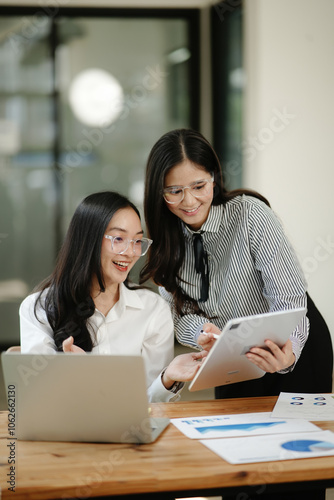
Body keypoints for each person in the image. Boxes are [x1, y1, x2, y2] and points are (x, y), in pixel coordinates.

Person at [140, 128, 333, 400]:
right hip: (230, 355)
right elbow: (178, 315)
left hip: (292, 343)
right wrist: (203, 333)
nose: (189, 201)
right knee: (236, 438)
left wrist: (288, 354)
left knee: (299, 437)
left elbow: (289, 298)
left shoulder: (250, 215)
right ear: (159, 193)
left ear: (214, 179)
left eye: (199, 186)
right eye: (175, 191)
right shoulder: (165, 243)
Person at [20, 191, 207, 403]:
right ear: (87, 240)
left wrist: (166, 378)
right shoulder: (38, 308)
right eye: (118, 239)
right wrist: (76, 376)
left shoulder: (153, 309)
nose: (131, 252)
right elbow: (37, 401)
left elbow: (150, 407)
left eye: (137, 241)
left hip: (132, 434)